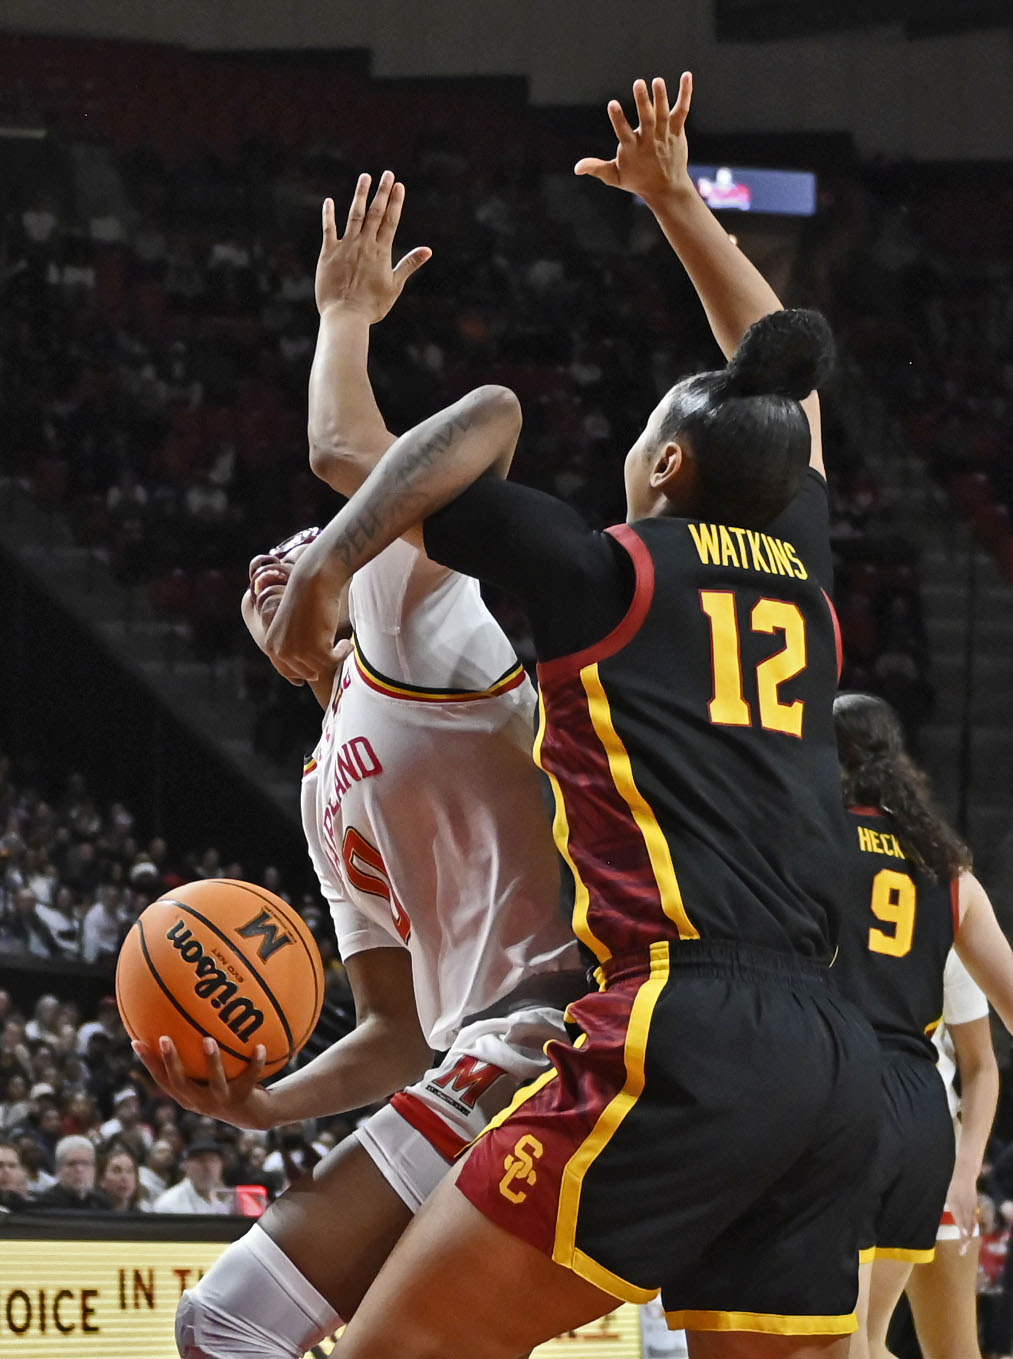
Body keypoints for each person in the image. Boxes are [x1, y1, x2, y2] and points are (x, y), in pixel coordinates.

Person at [266, 73, 882, 1358]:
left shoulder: (606, 575)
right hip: (838, 1051)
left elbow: (417, 440)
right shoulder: (805, 580)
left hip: (682, 1024)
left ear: (665, 464)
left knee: (393, 1351)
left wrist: (327, 540)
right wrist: (678, 206)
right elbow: (787, 395)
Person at [133, 169, 584, 1358]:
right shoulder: (318, 785)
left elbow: (365, 455)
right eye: (256, 577)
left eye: (294, 559)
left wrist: (342, 324)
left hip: (563, 1023)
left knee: (232, 1322)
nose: (267, 575)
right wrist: (261, 1103)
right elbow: (392, 1028)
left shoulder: (409, 619)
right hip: (484, 1047)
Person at [829, 692, 1013, 1359]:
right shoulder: (945, 867)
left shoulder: (806, 841)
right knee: (865, 1338)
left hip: (832, 1093)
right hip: (920, 1113)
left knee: (841, 1341)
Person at [904, 953, 1000, 1359]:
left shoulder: (946, 928)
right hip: (843, 1147)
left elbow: (981, 1065)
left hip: (934, 1149)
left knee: (955, 1350)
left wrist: (966, 1172)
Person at [35, 1135, 113, 1211]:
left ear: (94, 1169)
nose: (79, 1169)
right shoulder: (45, 1204)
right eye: (71, 1164)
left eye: (85, 1163)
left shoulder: (102, 1203)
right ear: (58, 1168)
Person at [153, 1140, 231, 1214]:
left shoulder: (221, 1204)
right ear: (187, 1166)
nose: (208, 1168)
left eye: (213, 1160)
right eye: (201, 1161)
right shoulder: (168, 1205)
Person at [98, 1141, 150, 1212]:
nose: (124, 1177)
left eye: (130, 1171)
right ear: (102, 1180)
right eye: (116, 1171)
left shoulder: (144, 1216)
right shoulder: (91, 1214)